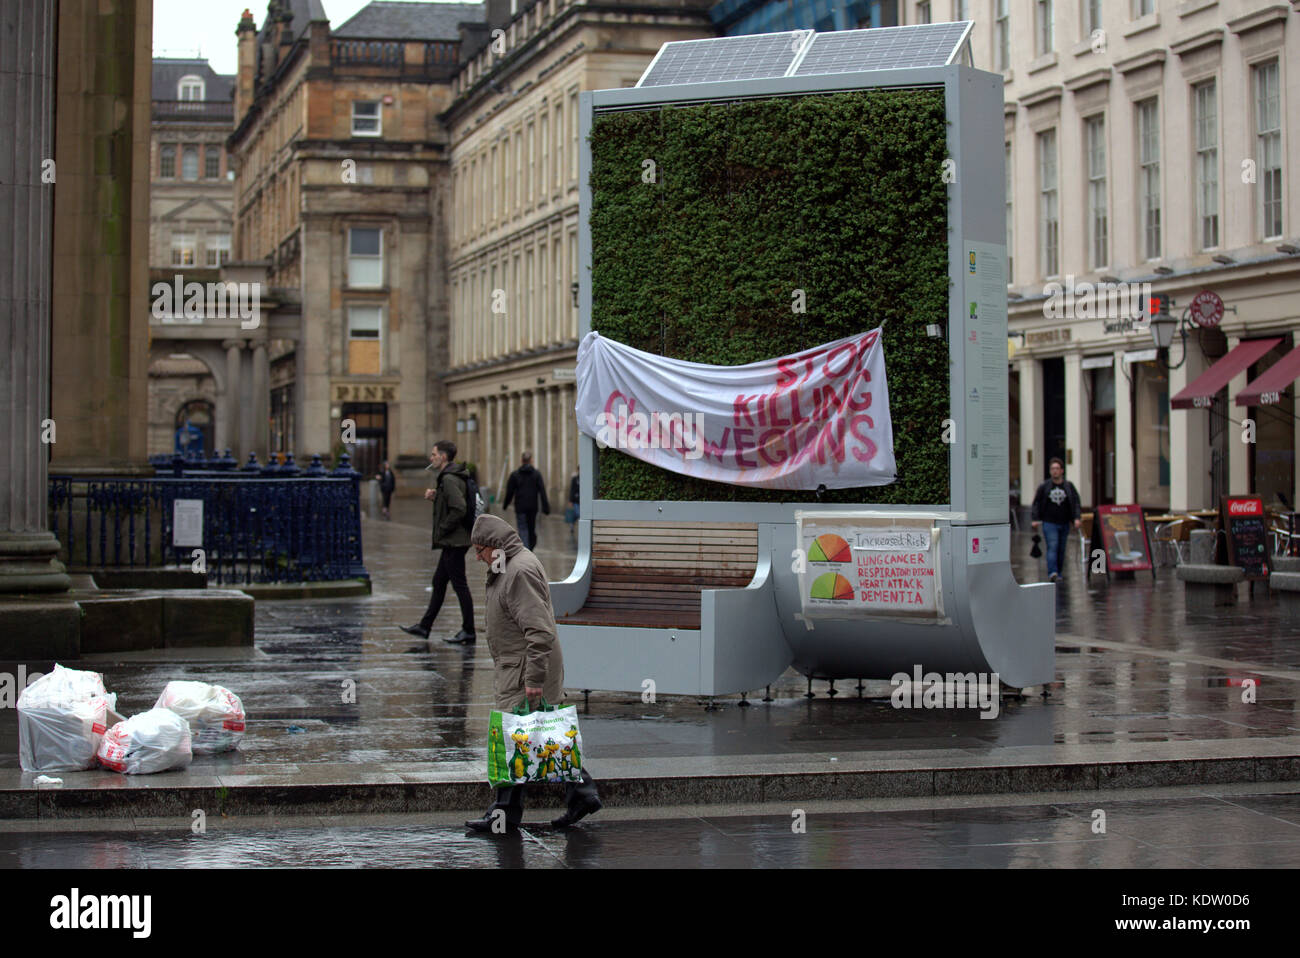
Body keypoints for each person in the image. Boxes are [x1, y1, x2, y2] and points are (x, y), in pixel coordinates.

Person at [464, 514, 601, 833]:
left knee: (515, 738)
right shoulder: (506, 567)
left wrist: (534, 682)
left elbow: (539, 632)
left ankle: (504, 815)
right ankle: (582, 794)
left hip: (526, 668)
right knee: (534, 737)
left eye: (480, 549)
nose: (477, 556)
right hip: (518, 667)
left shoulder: (518, 571)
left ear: (496, 546)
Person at [400, 440, 476, 644]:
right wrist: (438, 497)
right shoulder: (450, 477)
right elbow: (453, 502)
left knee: (460, 585)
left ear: (443, 457)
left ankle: (469, 630)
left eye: (434, 455)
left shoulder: (449, 478)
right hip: (454, 540)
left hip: (455, 541)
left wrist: (443, 529)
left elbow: (459, 508)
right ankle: (425, 626)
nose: (431, 458)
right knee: (439, 582)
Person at [1031, 457, 1082, 582]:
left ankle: (1058, 572)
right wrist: (1035, 519)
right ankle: (1052, 572)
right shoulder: (1044, 486)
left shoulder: (1068, 486)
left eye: (1057, 469)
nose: (1055, 471)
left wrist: (1076, 517)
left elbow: (1075, 502)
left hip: (1064, 522)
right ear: (1050, 471)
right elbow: (1036, 503)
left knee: (1061, 548)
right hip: (1049, 522)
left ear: (1062, 471)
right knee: (1053, 546)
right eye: (1052, 469)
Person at [502, 452, 550, 550]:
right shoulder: (536, 474)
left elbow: (509, 491)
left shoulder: (515, 475)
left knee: (523, 529)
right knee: (531, 529)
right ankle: (528, 550)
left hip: (520, 507)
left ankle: (526, 550)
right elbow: (542, 491)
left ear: (521, 461)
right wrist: (546, 507)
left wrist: (505, 504)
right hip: (532, 507)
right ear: (531, 460)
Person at [565, 466, 580, 541]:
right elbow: (572, 489)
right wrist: (570, 500)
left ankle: (572, 522)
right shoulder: (575, 479)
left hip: (582, 500)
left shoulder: (585, 478)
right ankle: (572, 523)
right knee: (578, 513)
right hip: (576, 500)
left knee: (577, 514)